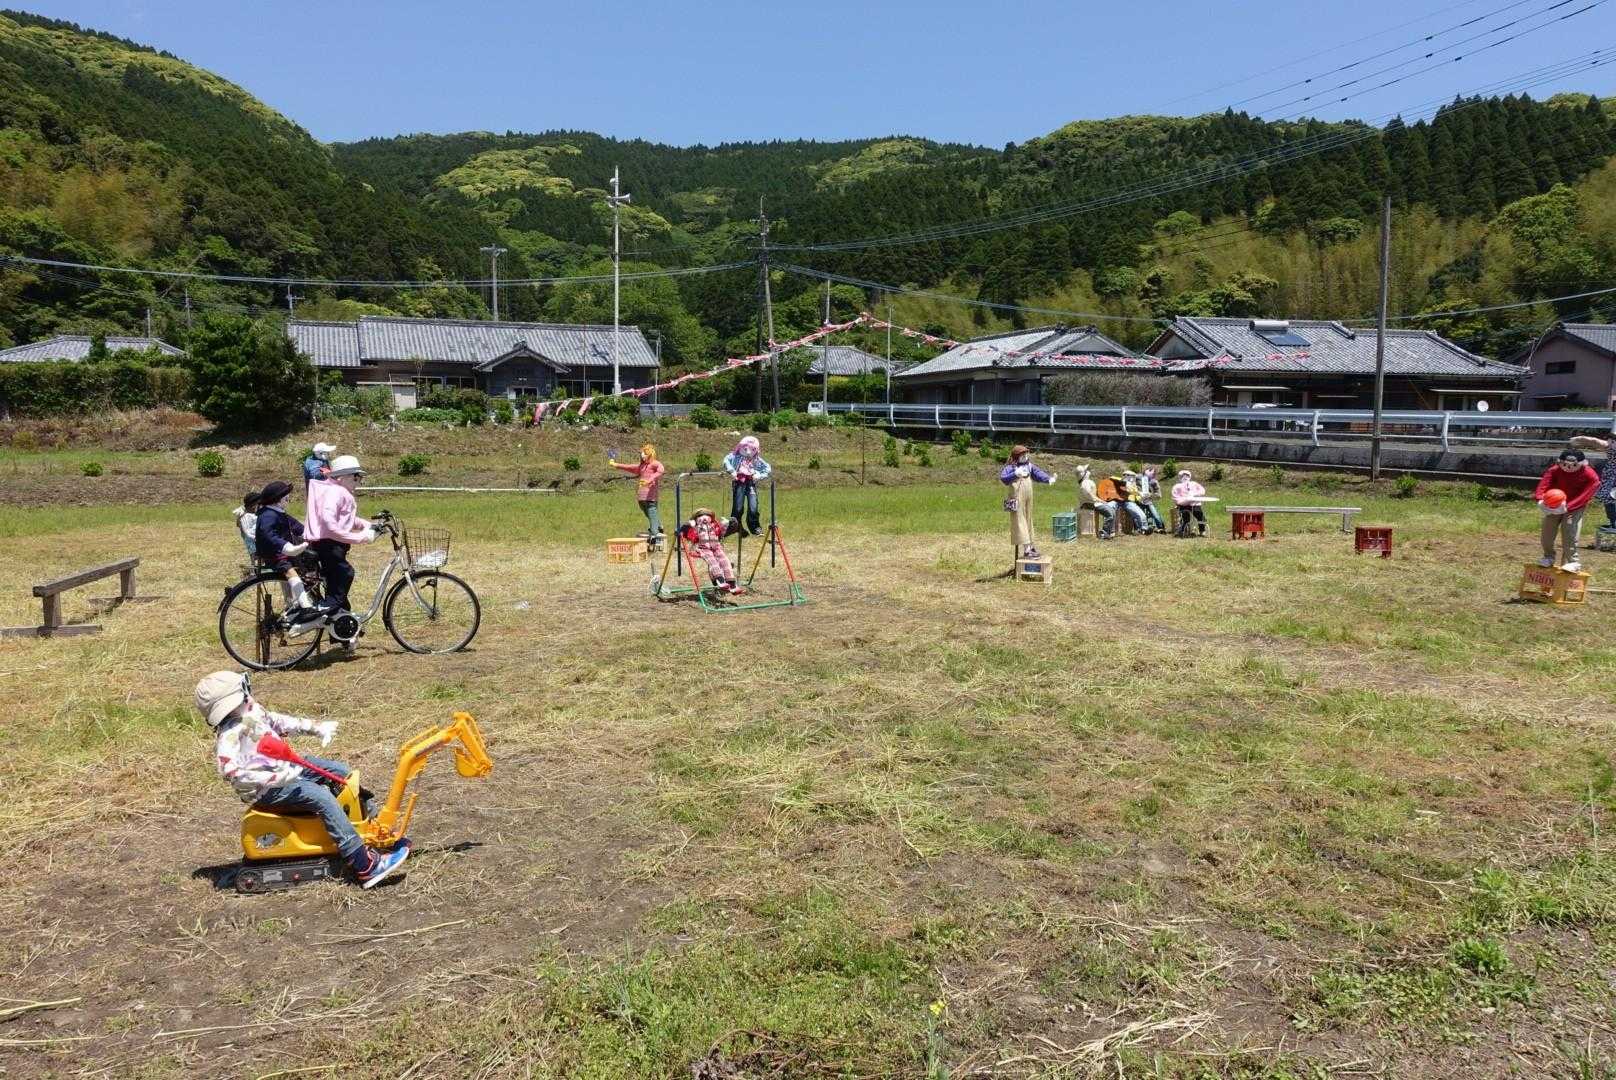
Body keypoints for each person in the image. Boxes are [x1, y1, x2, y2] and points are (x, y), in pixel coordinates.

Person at [195, 671, 408, 889]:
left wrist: (316, 727)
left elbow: (279, 721)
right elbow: (230, 771)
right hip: (268, 789)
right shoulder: (229, 734)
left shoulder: (252, 710)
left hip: (289, 767)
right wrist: (272, 778)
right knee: (321, 796)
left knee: (344, 773)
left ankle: (378, 832)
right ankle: (363, 863)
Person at [305, 455, 377, 616]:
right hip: (330, 545)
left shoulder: (335, 490)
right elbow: (330, 524)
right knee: (344, 574)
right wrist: (361, 537)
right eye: (356, 477)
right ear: (342, 477)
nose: (359, 482)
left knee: (335, 584)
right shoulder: (336, 492)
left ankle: (341, 623)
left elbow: (345, 519)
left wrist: (365, 525)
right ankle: (323, 611)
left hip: (329, 544)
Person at [254, 481, 321, 625]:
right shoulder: (268, 515)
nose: (288, 500)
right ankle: (306, 606)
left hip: (285, 553)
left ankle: (301, 600)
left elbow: (298, 527)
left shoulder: (279, 514)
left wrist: (314, 535)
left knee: (306, 568)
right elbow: (267, 533)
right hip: (275, 554)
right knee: (291, 574)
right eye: (286, 498)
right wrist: (285, 546)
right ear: (277, 500)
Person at [1534, 447, 1600, 572]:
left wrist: (1568, 507)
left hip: (1575, 507)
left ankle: (1573, 561)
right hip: (1554, 504)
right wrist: (1541, 500)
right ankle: (1548, 557)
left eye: (1573, 465)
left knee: (1569, 531)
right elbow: (1544, 484)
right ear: (1560, 462)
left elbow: (1587, 493)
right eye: (1565, 464)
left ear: (1582, 463)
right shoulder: (1554, 470)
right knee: (1547, 531)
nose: (1568, 467)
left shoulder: (1590, 474)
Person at [1000, 445, 1057, 558]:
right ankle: (1026, 549)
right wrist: (1015, 474)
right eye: (1022, 454)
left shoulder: (1029, 466)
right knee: (1020, 521)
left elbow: (1038, 473)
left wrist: (1048, 479)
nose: (1025, 456)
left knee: (1029, 519)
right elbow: (1003, 478)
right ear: (1017, 456)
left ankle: (1031, 545)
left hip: (1028, 497)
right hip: (1016, 497)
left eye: (1026, 454)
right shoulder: (1011, 467)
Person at [610, 443, 666, 541]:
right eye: (642, 453)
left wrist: (650, 479)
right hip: (641, 498)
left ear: (650, 453)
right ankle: (659, 526)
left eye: (645, 453)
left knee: (652, 512)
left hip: (651, 497)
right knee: (648, 513)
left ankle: (655, 534)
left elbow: (661, 470)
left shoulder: (654, 463)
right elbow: (630, 467)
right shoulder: (641, 466)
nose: (642, 455)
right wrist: (616, 465)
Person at [723, 436, 773, 535]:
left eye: (753, 450)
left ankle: (755, 527)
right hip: (739, 482)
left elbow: (767, 468)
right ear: (740, 447)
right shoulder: (734, 456)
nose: (749, 452)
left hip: (751, 483)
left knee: (753, 506)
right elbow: (726, 460)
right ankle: (735, 526)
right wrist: (731, 471)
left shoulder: (756, 459)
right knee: (738, 507)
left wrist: (759, 475)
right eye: (745, 449)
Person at [680, 508, 737, 593]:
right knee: (713, 563)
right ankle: (720, 580)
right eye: (701, 516)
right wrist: (687, 526)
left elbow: (721, 533)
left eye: (707, 516)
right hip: (703, 548)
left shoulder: (714, 526)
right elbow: (689, 535)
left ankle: (732, 583)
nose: (704, 518)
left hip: (716, 547)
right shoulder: (696, 527)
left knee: (725, 561)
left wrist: (727, 524)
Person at [1569, 436, 1616, 528]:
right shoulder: (1611, 447)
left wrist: (1579, 439)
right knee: (1608, 499)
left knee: (1610, 498)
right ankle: (1613, 521)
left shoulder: (1611, 446)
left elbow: (1595, 441)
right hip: (1610, 476)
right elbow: (1595, 441)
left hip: (1612, 478)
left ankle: (1614, 522)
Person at [1076, 464, 1117, 540]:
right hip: (1089, 504)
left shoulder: (1086, 482)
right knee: (1110, 513)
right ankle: (1104, 533)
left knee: (1112, 511)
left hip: (1092, 503)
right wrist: (1101, 501)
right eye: (1087, 471)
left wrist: (1100, 501)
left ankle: (1110, 532)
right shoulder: (1085, 483)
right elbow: (1089, 495)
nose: (1089, 472)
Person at [1171, 469, 1210, 537]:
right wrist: (1185, 500)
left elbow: (1202, 490)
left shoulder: (1194, 484)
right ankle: (1184, 530)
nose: (1185, 477)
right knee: (1185, 518)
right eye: (1183, 475)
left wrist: (1195, 494)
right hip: (1183, 505)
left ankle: (1202, 530)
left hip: (1195, 504)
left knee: (1200, 515)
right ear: (1180, 477)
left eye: (1187, 475)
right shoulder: (1177, 486)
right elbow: (1176, 498)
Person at [233, 489, 261, 562]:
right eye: (259, 504)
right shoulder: (246, 516)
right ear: (253, 505)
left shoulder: (252, 514)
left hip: (255, 538)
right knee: (254, 552)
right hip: (252, 539)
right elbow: (248, 533)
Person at [1138, 466, 1167, 532]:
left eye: (1153, 473)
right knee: (1140, 514)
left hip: (1149, 501)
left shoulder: (1154, 482)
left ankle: (1161, 527)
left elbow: (1159, 495)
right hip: (1139, 500)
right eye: (1149, 470)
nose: (1151, 473)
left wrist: (1150, 495)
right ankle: (1141, 527)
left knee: (1155, 514)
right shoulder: (1138, 478)